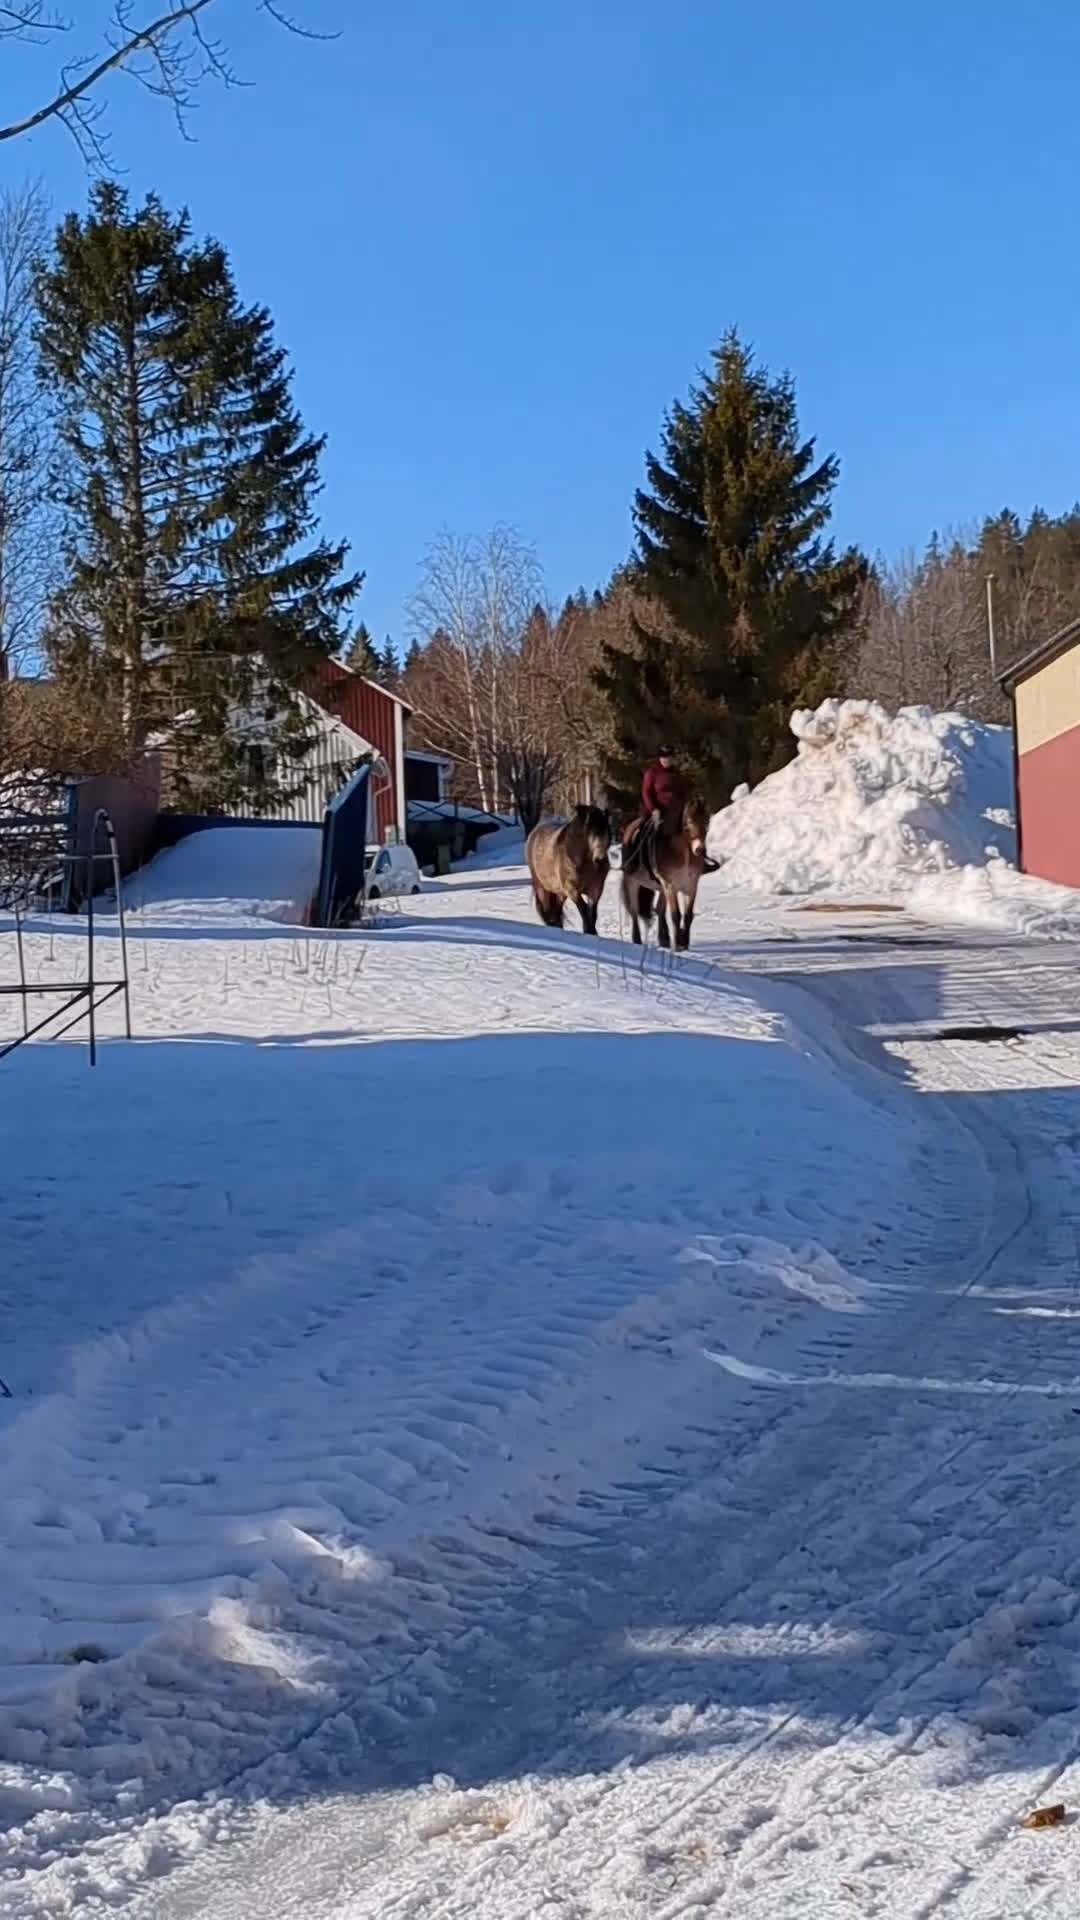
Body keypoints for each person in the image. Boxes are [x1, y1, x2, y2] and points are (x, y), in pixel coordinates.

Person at [640, 746, 686, 834]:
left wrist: (682, 806)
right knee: (652, 833)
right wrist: (653, 809)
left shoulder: (676, 773)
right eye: (663, 757)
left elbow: (682, 791)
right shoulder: (652, 773)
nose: (666, 760)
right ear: (659, 758)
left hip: (675, 812)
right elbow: (646, 793)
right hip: (658, 812)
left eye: (669, 757)